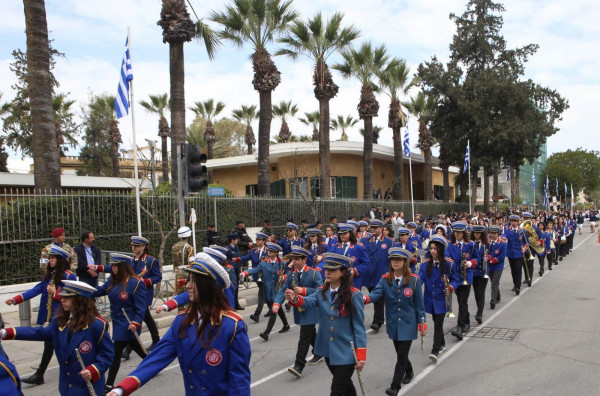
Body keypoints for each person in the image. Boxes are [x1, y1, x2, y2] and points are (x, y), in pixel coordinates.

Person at [106, 254, 251, 396]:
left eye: (193, 281)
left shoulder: (232, 326)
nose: (187, 285)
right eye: (189, 280)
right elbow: (157, 358)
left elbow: (239, 382)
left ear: (207, 286)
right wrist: (121, 389)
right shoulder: (182, 321)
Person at [2, 280, 114, 395]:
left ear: (80, 300)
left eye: (67, 297)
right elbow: (39, 332)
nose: (62, 300)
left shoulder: (96, 325)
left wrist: (93, 370)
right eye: (62, 296)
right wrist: (5, 332)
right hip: (67, 387)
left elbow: (107, 354)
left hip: (87, 387)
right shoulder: (59, 321)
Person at [284, 253, 367, 396]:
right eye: (326, 269)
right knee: (345, 385)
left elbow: (359, 326)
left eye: (332, 270)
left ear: (342, 272)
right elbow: (308, 301)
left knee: (337, 390)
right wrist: (295, 298)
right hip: (327, 348)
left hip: (347, 350)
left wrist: (361, 355)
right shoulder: (321, 291)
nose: (327, 272)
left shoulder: (354, 295)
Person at [5, 245, 77, 385]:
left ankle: (43, 374)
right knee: (50, 344)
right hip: (52, 317)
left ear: (60, 260)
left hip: (63, 317)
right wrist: (15, 300)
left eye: (52, 258)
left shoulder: (69, 275)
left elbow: (74, 297)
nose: (50, 260)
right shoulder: (51, 275)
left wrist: (55, 293)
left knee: (57, 345)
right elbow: (37, 289)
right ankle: (41, 374)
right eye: (49, 258)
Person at [364, 247, 426, 395]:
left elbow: (419, 305)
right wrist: (363, 298)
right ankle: (409, 371)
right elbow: (376, 294)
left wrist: (422, 323)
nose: (395, 262)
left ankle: (395, 386)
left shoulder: (414, 280)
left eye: (398, 260)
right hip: (393, 324)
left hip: (408, 324)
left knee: (402, 355)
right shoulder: (385, 279)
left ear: (405, 262)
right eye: (393, 259)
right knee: (401, 353)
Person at [91, 253, 147, 393]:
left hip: (128, 324)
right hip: (117, 323)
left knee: (115, 353)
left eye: (116, 266)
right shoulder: (113, 281)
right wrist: (80, 292)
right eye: (112, 265)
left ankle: (109, 384)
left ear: (123, 267)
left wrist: (136, 322)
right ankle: (153, 362)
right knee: (136, 347)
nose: (113, 268)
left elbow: (141, 308)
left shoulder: (135, 283)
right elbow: (99, 291)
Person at [273, 246, 324, 377]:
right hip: (299, 309)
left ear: (304, 259)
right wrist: (277, 303)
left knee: (304, 336)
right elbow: (283, 289)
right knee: (310, 332)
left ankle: (298, 365)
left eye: (296, 259)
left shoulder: (314, 273)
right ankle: (319, 351)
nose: (294, 261)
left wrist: (304, 291)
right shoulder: (291, 274)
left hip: (311, 309)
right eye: (293, 259)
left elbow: (320, 290)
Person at [417, 235, 460, 363]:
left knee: (438, 324)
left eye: (435, 249)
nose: (432, 251)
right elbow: (420, 279)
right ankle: (442, 343)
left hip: (442, 298)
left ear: (440, 249)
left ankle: (435, 350)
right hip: (430, 298)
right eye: (431, 249)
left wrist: (451, 287)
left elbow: (456, 279)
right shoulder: (425, 265)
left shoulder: (449, 263)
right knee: (436, 321)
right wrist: (413, 286)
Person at [157, 249, 236, 313]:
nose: (188, 285)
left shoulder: (226, 286)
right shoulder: (183, 320)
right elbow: (187, 295)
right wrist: (167, 305)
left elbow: (230, 306)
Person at [240, 242, 290, 341]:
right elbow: (255, 269)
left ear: (276, 252)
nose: (269, 252)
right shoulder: (263, 263)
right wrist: (245, 273)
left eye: (271, 251)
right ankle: (286, 325)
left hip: (278, 291)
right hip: (268, 291)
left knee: (273, 311)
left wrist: (285, 276)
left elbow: (289, 273)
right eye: (269, 250)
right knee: (278, 309)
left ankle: (266, 332)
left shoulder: (282, 263)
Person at [361, 219, 394, 332]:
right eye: (372, 227)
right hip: (369, 274)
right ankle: (379, 318)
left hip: (381, 274)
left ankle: (377, 321)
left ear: (381, 229)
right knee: (372, 296)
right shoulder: (364, 241)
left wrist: (390, 272)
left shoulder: (389, 242)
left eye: (376, 227)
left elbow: (392, 259)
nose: (373, 229)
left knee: (379, 298)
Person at [445, 222, 474, 340]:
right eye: (455, 232)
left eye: (459, 232)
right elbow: (447, 258)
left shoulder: (470, 245)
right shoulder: (450, 246)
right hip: (455, 277)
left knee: (462, 301)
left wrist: (469, 263)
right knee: (462, 301)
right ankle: (466, 321)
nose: (457, 234)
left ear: (464, 233)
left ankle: (460, 326)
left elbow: (476, 257)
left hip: (467, 276)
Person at [329, 224, 370, 290]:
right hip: (338, 281)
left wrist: (354, 271)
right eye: (341, 233)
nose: (342, 235)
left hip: (353, 281)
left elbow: (366, 264)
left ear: (350, 234)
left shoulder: (358, 247)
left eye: (345, 233)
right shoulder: (334, 247)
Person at [240, 232, 269, 322]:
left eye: (259, 240)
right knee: (265, 294)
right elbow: (245, 257)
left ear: (264, 241)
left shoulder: (269, 251)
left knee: (261, 294)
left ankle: (257, 314)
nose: (257, 241)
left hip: (266, 276)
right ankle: (273, 309)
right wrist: (237, 259)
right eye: (256, 240)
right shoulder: (253, 251)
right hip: (257, 276)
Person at [501, 215, 527, 295]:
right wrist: (503, 238)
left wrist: (525, 248)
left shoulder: (522, 230)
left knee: (518, 270)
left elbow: (526, 242)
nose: (513, 222)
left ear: (518, 222)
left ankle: (518, 286)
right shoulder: (508, 230)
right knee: (513, 270)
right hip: (511, 253)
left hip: (519, 253)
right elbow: (504, 236)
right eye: (512, 221)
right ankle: (515, 284)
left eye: (515, 221)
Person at [470, 225, 488, 324]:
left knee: (481, 292)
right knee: (476, 292)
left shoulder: (486, 244)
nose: (477, 234)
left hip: (483, 271)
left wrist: (488, 256)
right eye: (475, 233)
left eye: (479, 233)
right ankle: (479, 309)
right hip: (473, 271)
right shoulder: (470, 244)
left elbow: (491, 253)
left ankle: (479, 313)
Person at [486, 226, 506, 309]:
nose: (493, 235)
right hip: (490, 266)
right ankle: (498, 296)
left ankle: (493, 300)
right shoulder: (488, 243)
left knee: (494, 282)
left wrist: (492, 260)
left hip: (498, 266)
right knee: (493, 281)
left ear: (498, 234)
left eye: (495, 233)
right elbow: (486, 252)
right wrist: (487, 256)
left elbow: (502, 257)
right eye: (491, 233)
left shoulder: (502, 244)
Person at [171, 227, 195, 294]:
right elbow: (191, 262)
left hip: (178, 272)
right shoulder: (189, 247)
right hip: (186, 274)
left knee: (179, 295)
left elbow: (174, 261)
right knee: (187, 294)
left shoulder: (174, 247)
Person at [226, 233, 244, 310]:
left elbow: (239, 256)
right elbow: (226, 260)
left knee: (236, 288)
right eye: (236, 239)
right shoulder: (227, 249)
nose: (237, 240)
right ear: (232, 240)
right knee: (232, 287)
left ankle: (236, 304)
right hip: (231, 271)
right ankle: (232, 305)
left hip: (237, 269)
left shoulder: (236, 247)